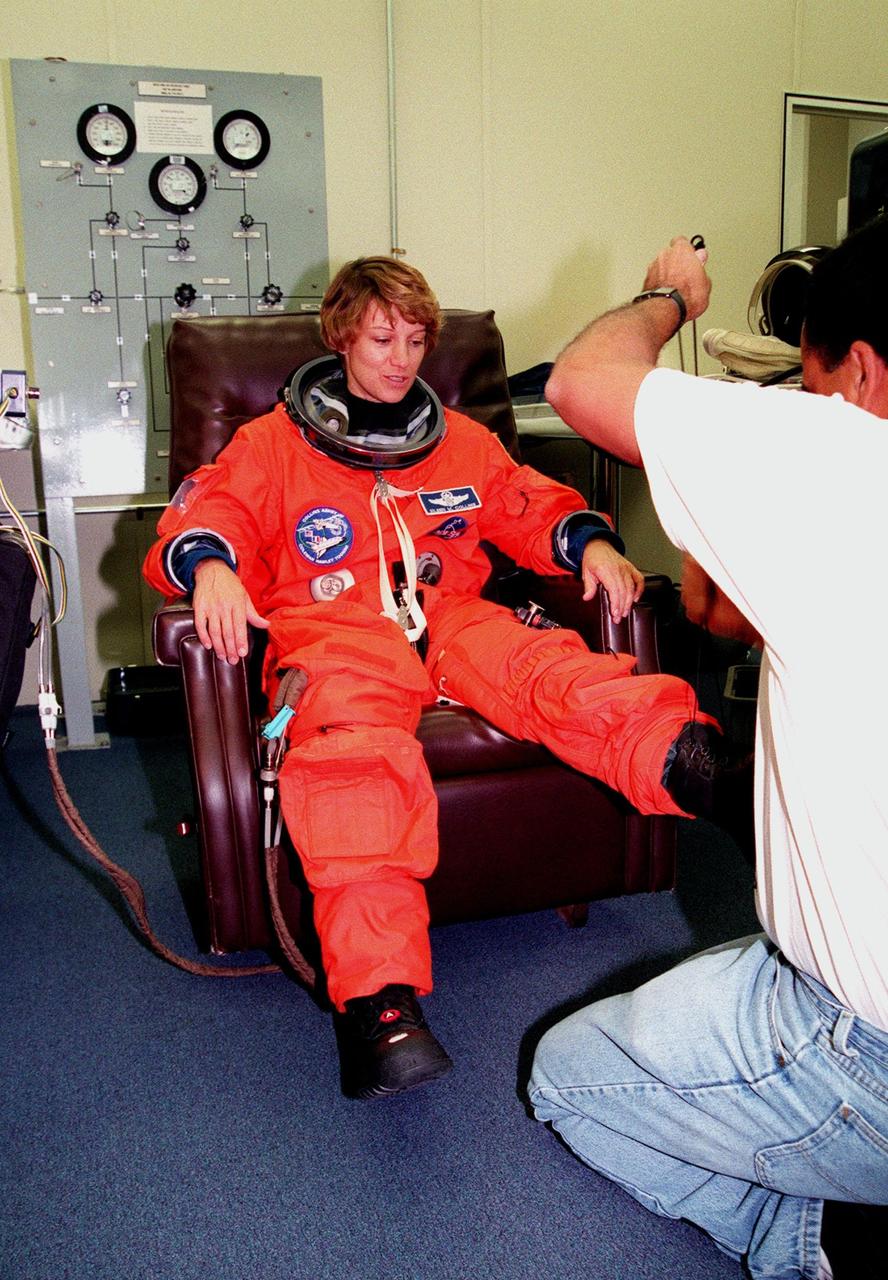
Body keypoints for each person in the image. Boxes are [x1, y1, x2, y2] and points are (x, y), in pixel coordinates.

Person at [144, 256, 745, 1102]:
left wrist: (592, 542)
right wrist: (210, 568)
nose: (401, 358)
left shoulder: (458, 438)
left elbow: (525, 501)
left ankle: (703, 772)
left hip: (448, 614)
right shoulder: (273, 445)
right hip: (336, 627)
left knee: (549, 669)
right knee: (353, 755)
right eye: (383, 337)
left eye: (417, 340)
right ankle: (379, 1004)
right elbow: (212, 513)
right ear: (342, 334)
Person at [529, 220, 888, 1280]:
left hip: (862, 1042)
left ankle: (822, 1242)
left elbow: (581, 376)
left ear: (861, 370)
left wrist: (671, 298)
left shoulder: (843, 455)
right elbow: (723, 610)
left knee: (568, 1075)